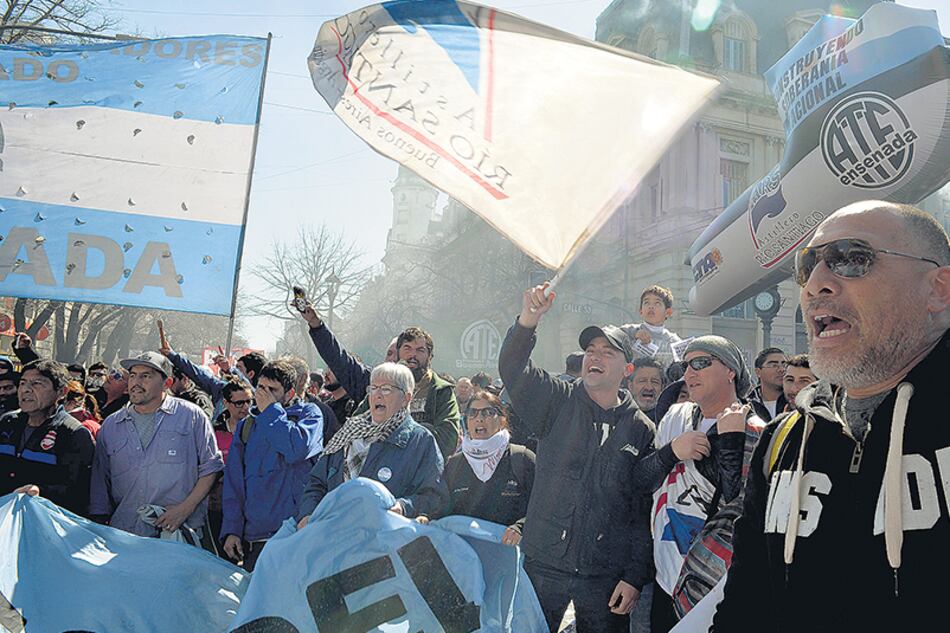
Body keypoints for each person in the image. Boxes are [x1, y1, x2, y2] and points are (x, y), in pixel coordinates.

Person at [713, 201, 950, 633]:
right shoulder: (782, 439)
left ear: (938, 289)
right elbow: (745, 606)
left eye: (853, 259)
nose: (815, 284)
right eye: (808, 266)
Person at [499, 283, 670, 633]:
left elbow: (641, 512)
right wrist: (528, 320)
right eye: (591, 350)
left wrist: (634, 577)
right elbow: (513, 369)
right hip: (544, 564)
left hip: (604, 575)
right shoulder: (557, 400)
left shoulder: (641, 429)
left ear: (627, 369)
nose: (595, 357)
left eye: (608, 352)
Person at [89, 352, 223, 540]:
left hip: (177, 534)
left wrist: (184, 510)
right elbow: (100, 480)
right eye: (133, 375)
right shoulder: (111, 425)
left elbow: (211, 468)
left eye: (146, 376)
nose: (136, 382)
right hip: (125, 534)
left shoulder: (191, 417)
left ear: (166, 383)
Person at [295, 362, 448, 527]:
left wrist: (403, 507)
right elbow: (317, 483)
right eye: (373, 388)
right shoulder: (349, 432)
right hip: (334, 538)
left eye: (386, 389)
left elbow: (435, 497)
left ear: (406, 398)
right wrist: (308, 514)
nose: (378, 395)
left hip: (384, 543)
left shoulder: (420, 440)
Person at [301, 304, 460, 460]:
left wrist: (396, 433)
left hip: (421, 474)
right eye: (407, 348)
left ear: (430, 356)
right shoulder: (376, 384)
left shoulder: (441, 391)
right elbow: (341, 362)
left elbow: (447, 441)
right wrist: (317, 326)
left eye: (420, 350)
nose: (413, 355)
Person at [221, 360, 324, 570]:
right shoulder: (246, 426)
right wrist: (232, 529)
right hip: (256, 537)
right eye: (261, 387)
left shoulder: (310, 415)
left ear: (289, 393)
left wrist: (270, 412)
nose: (264, 394)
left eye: (272, 390)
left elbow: (296, 449)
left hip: (296, 534)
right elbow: (234, 482)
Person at [0, 360, 95, 515]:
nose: (26, 390)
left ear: (62, 392)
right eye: (23, 383)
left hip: (43, 526)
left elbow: (79, 492)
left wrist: (41, 492)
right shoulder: (7, 423)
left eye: (37, 384)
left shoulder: (73, 433)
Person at [440, 389, 535, 544]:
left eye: (488, 413)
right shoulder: (454, 464)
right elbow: (441, 508)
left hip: (511, 560)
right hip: (466, 560)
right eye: (473, 413)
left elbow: (543, 506)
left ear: (502, 419)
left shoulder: (522, 459)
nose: (479, 419)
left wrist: (521, 527)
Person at [208, 379, 252, 549]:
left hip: (248, 503)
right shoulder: (213, 431)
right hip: (219, 503)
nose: (245, 407)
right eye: (239, 403)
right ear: (226, 403)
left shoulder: (257, 428)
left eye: (249, 401)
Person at [621, 285, 683, 371]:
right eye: (646, 303)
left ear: (668, 312)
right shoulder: (627, 331)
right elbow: (606, 333)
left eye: (657, 303)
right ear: (641, 311)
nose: (651, 306)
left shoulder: (674, 342)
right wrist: (634, 333)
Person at [749, 347, 788, 420]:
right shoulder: (749, 405)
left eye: (784, 365)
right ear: (758, 372)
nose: (782, 369)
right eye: (774, 365)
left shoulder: (793, 401)